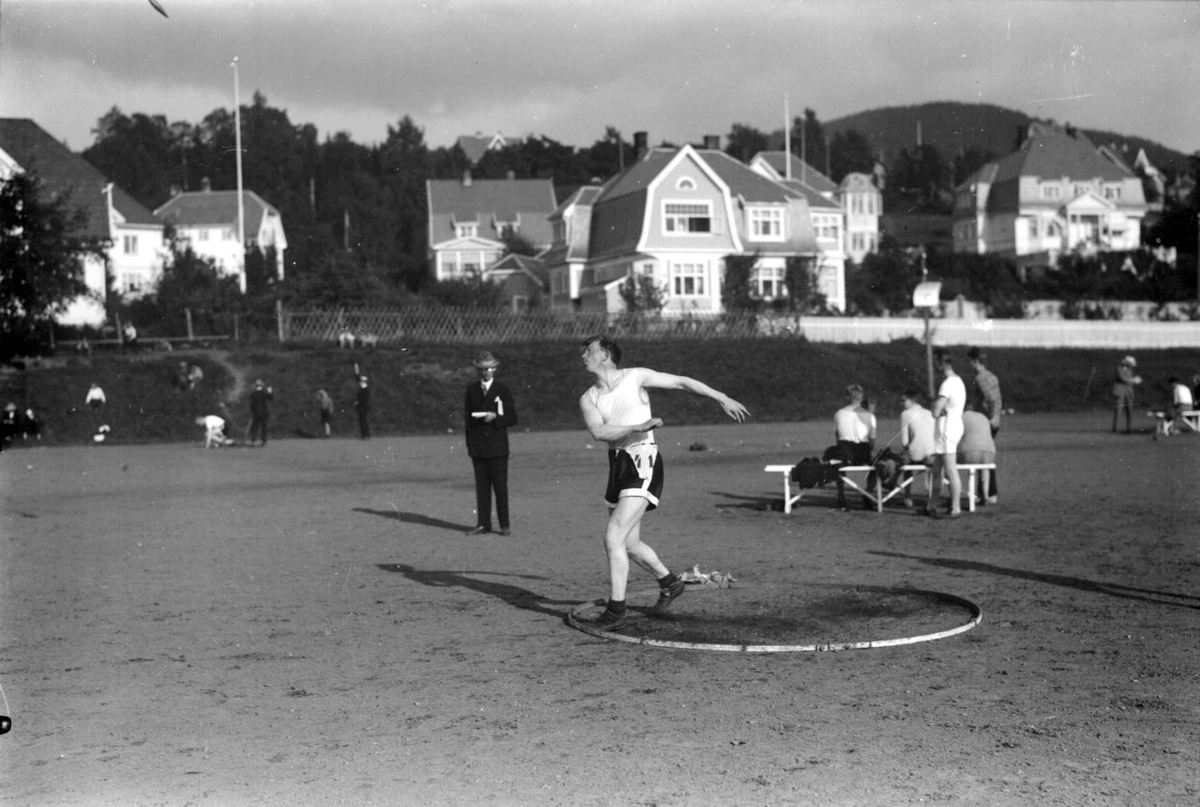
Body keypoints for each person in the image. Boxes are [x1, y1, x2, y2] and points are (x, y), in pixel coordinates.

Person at [578, 335, 749, 631]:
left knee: (612, 537)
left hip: (643, 461)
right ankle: (670, 583)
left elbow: (682, 382)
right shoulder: (588, 397)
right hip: (617, 465)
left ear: (605, 354)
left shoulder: (635, 376)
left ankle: (616, 610)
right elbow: (598, 431)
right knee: (629, 543)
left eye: (589, 350)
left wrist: (722, 397)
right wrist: (637, 426)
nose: (583, 355)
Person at [463, 350, 518, 536]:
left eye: (489, 369)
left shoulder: (502, 390)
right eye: (482, 369)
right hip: (478, 447)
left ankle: (504, 524)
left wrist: (496, 417)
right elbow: (468, 422)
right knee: (482, 489)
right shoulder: (471, 390)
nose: (486, 372)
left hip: (498, 446)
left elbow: (512, 417)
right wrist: (470, 445)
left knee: (500, 487)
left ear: (495, 369)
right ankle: (483, 523)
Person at [927, 349, 967, 519]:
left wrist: (936, 407)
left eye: (936, 362)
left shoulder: (947, 384)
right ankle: (931, 504)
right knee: (937, 469)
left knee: (950, 469)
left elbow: (936, 411)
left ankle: (955, 507)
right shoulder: (959, 382)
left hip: (947, 428)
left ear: (941, 363)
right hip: (954, 424)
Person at [830, 384, 876, 510]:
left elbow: (838, 438)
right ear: (861, 397)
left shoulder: (839, 414)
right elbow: (872, 441)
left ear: (848, 397)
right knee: (877, 464)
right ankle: (868, 493)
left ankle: (841, 495)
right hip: (863, 453)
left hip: (845, 453)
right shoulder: (870, 416)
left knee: (837, 459)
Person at [966, 347, 1001, 504]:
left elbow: (991, 398)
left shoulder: (980, 378)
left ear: (974, 361)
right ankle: (986, 493)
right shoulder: (992, 376)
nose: (969, 364)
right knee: (986, 456)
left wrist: (992, 416)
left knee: (982, 456)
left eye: (970, 361)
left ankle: (988, 493)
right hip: (992, 421)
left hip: (985, 421)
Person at [899, 388, 935, 509]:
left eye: (903, 400)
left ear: (912, 400)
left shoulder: (905, 414)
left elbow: (904, 442)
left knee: (906, 463)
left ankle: (907, 496)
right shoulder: (929, 413)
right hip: (932, 455)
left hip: (916, 456)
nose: (901, 403)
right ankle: (930, 496)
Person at [958, 410, 997, 506]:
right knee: (984, 468)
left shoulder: (961, 417)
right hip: (989, 452)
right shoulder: (983, 416)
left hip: (969, 452)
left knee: (951, 464)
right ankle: (985, 496)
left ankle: (959, 493)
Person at [1112, 355, 1141, 434]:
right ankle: (1116, 429)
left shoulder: (1129, 369)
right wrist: (1134, 380)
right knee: (1118, 411)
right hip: (1120, 392)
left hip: (1128, 393)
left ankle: (1129, 429)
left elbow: (1127, 380)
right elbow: (1122, 378)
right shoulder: (1119, 368)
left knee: (1130, 411)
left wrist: (1133, 380)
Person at [248, 378, 274, 446]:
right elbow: (271, 398)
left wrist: (252, 412)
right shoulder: (264, 392)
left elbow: (252, 405)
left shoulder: (253, 393)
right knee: (264, 428)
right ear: (261, 385)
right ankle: (264, 441)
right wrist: (270, 391)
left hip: (256, 413)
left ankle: (253, 440)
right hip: (264, 413)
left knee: (255, 427)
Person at [354, 372, 371, 439]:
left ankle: (366, 434)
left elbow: (364, 400)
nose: (359, 383)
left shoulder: (366, 390)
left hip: (363, 408)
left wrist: (358, 402)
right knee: (361, 421)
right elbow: (357, 377)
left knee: (363, 421)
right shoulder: (362, 389)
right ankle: (363, 435)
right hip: (360, 408)